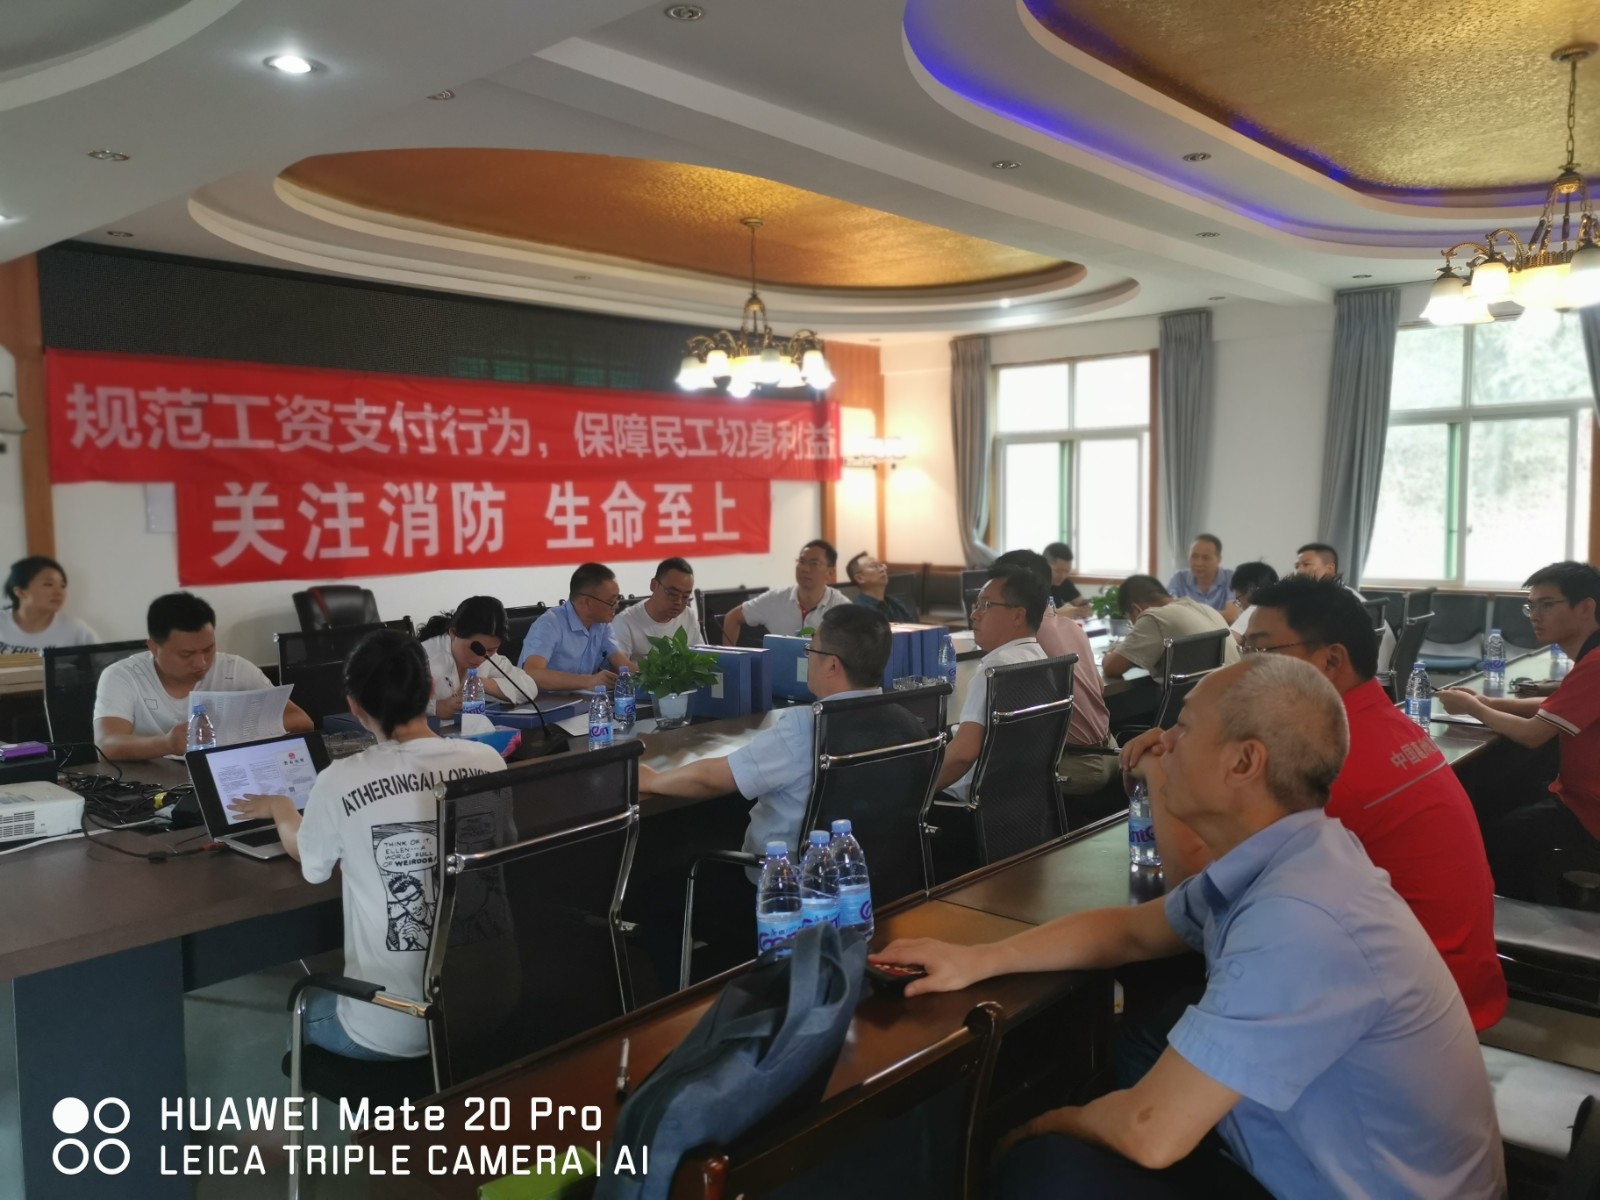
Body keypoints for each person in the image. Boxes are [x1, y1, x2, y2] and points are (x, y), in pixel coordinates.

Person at [877, 657, 1505, 1199]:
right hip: (1306, 1162)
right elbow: (1131, 932)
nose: (1162, 742)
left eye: (1183, 727)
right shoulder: (1293, 854)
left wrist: (1033, 1128)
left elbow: (1150, 1134)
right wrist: (979, 958)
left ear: (1244, 762)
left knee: (1048, 1171)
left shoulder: (1302, 917)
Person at [1126, 577, 1506, 1030]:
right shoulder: (1385, 723)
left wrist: (1160, 770)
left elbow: (1197, 881)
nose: (1247, 669)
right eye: (1245, 650)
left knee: (1149, 1018)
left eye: (1262, 651)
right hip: (1449, 983)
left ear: (1331, 661)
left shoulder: (1326, 765)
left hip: (1398, 1017)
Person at [227, 629, 506, 1060]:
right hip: (494, 1008)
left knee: (302, 1014)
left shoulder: (340, 780)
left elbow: (309, 858)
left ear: (354, 707)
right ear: (431, 689)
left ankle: (353, 1101)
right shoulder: (489, 761)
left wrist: (282, 809)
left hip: (398, 1029)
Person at [640, 605, 906, 864]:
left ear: (832, 666)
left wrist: (653, 781)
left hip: (784, 878)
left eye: (810, 650)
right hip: (867, 872)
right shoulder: (904, 722)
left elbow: (711, 779)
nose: (808, 658)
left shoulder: (805, 727)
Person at [1437, 560, 1600, 900]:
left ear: (1586, 607)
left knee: (1500, 832)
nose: (1535, 616)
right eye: (1531, 606)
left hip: (1589, 812)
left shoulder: (1595, 664)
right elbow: (1556, 705)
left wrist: (1473, 707)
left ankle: (1514, 918)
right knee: (1509, 793)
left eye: (1547, 605)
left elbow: (1532, 734)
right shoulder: (1591, 657)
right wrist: (1489, 701)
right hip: (1579, 795)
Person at [94, 592, 313, 761]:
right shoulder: (122, 676)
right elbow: (107, 744)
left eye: (208, 649)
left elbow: (302, 721)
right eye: (186, 654)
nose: (201, 662)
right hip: (155, 783)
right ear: (153, 647)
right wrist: (167, 744)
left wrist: (230, 730)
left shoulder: (234, 669)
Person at [994, 550, 1115, 796]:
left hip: (1077, 763)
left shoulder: (1027, 637)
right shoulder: (1071, 627)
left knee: (986, 774)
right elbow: (1100, 688)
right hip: (1111, 751)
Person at [933, 564, 1050, 800]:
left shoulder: (995, 670)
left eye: (986, 605)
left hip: (968, 800)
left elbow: (963, 755)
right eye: (976, 605)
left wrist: (912, 793)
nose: (974, 614)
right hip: (1017, 798)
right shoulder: (1040, 657)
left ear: (1017, 615)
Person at [518, 563, 634, 692]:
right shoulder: (550, 624)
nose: (616, 606)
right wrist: (589, 681)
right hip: (542, 701)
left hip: (579, 700)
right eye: (611, 601)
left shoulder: (602, 625)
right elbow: (532, 673)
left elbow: (624, 666)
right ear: (587, 602)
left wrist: (649, 676)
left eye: (617, 599)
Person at [417, 596, 539, 718]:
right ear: (453, 633)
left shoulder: (488, 657)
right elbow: (404, 704)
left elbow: (528, 687)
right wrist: (435, 708)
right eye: (474, 649)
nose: (481, 658)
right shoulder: (423, 657)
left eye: (491, 649)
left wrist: (481, 683)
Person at [1101, 575, 1239, 682]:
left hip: (1202, 705)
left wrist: (1111, 653)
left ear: (1136, 610)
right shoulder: (1207, 609)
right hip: (1236, 698)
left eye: (1131, 620)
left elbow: (1111, 668)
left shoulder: (1153, 616)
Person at [1293, 541, 1396, 673]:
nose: (1299, 571)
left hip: (1367, 668)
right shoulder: (1344, 592)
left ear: (1330, 568)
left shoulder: (1336, 599)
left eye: (1306, 564)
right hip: (1377, 666)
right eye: (1297, 566)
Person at [722, 539, 849, 643]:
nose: (805, 568)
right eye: (802, 561)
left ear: (830, 572)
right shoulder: (775, 599)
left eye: (814, 563)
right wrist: (730, 661)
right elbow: (732, 617)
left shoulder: (842, 608)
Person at [0, 556, 99, 654]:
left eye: (62, 586)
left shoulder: (75, 629)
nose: (59, 592)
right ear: (20, 592)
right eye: (48, 584)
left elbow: (102, 661)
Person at [611, 557, 702, 662]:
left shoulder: (689, 616)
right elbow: (620, 669)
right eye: (673, 594)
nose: (679, 602)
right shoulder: (625, 622)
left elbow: (701, 660)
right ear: (654, 585)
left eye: (685, 597)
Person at [1165, 534, 1234, 615]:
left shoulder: (1231, 578)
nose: (1198, 563)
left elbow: (1231, 614)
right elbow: (1167, 608)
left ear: (1218, 560)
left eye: (1206, 558)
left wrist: (1191, 616)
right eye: (1194, 556)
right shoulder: (1179, 578)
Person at [844, 552, 914, 622]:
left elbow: (912, 626)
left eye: (881, 565)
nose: (882, 569)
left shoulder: (895, 603)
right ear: (860, 578)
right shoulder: (859, 612)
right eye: (874, 566)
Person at [1226, 560, 1279, 642]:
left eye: (1239, 600)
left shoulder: (1255, 610)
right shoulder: (1281, 610)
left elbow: (1228, 642)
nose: (1241, 608)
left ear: (1250, 591)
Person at [1043, 543, 1091, 618]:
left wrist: (1084, 609)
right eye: (1058, 571)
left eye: (1067, 571)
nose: (1063, 576)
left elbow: (1081, 603)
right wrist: (1058, 613)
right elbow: (1031, 618)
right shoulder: (1032, 584)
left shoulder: (1064, 582)